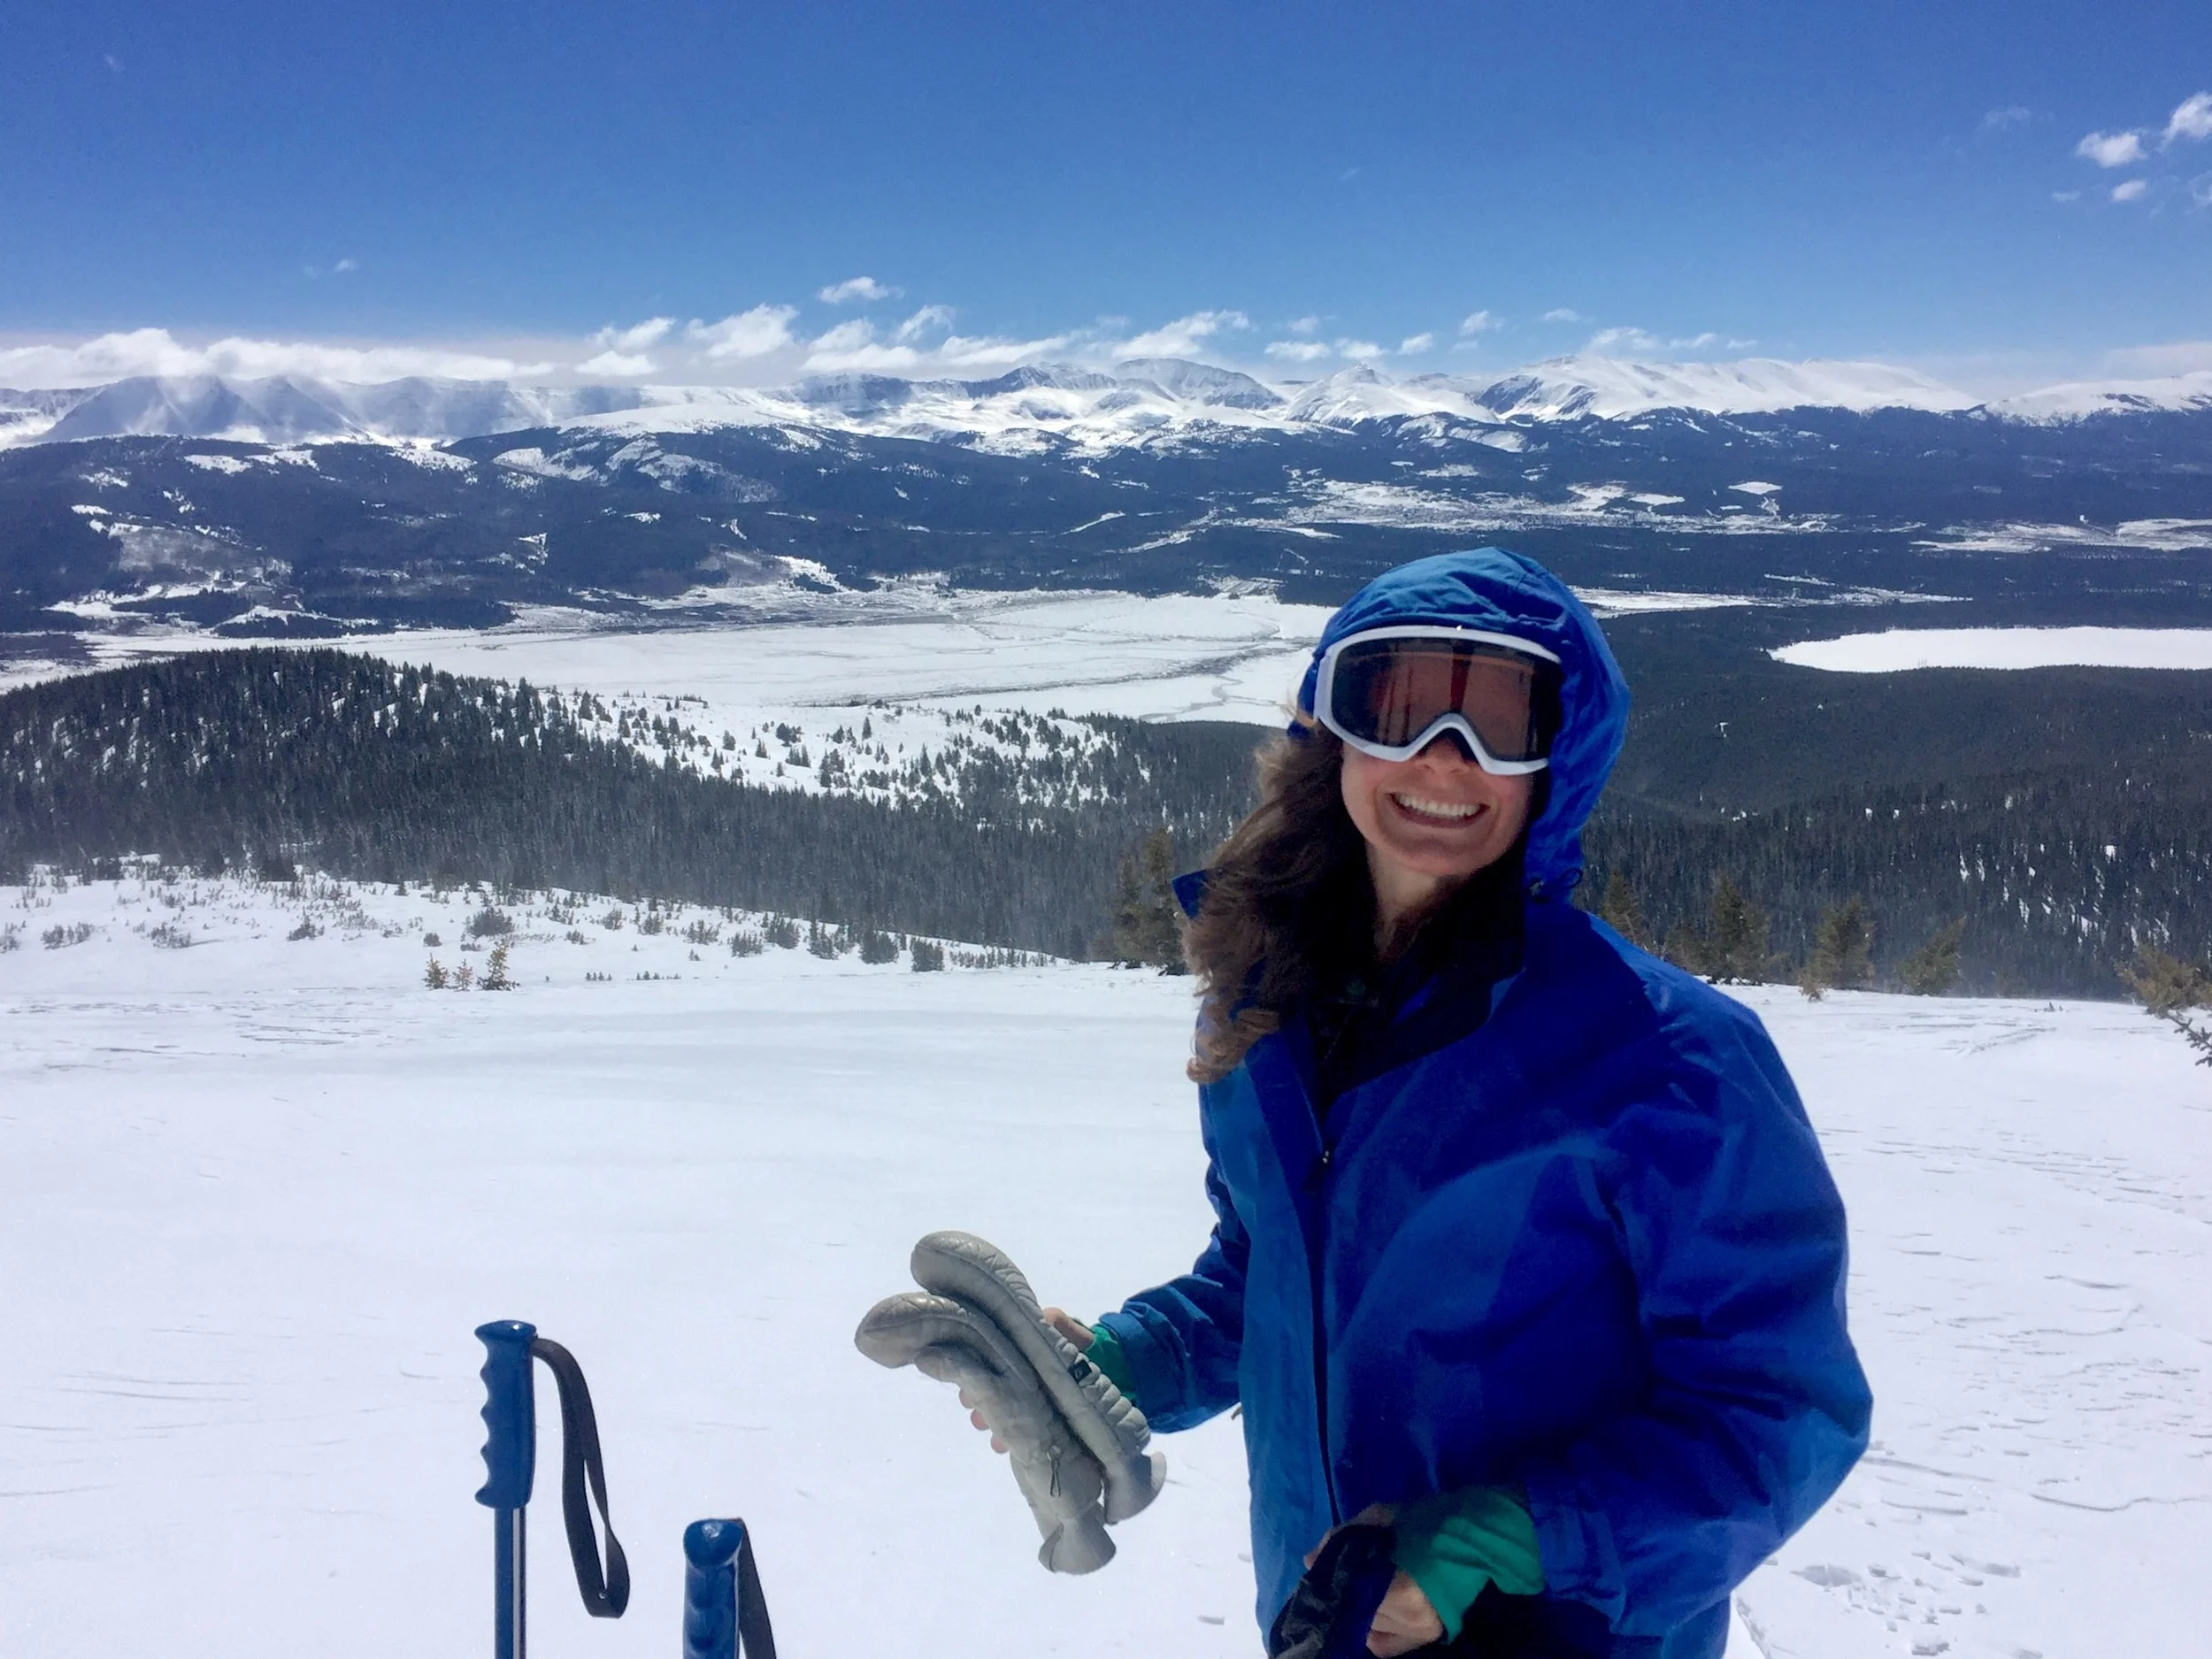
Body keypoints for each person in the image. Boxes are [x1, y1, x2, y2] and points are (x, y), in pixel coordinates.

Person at [974, 548, 1870, 1656]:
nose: (1446, 760)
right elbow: (1273, 1276)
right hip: (1325, 1616)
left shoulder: (1668, 1059)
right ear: (1331, 731)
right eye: (1396, 707)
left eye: (1502, 718)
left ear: (1559, 754)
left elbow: (1782, 1411)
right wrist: (1124, 1367)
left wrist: (1517, 1535)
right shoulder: (1269, 1007)